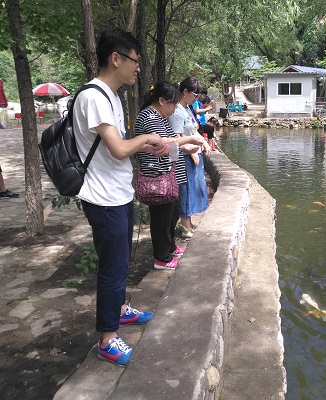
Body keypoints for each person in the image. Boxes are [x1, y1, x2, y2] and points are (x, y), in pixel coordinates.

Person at [73, 27, 168, 367]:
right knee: (112, 268)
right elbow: (117, 150)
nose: (138, 68)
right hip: (102, 198)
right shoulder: (94, 96)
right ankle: (107, 339)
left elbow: (120, 147)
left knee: (122, 260)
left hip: (118, 194)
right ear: (116, 58)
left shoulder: (112, 96)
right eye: (134, 61)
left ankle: (121, 310)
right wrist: (146, 139)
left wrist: (147, 141)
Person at [135, 82, 205, 270]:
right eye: (173, 104)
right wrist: (189, 139)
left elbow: (170, 143)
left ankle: (170, 246)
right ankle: (162, 258)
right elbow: (161, 142)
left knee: (171, 212)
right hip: (156, 176)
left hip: (167, 174)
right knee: (161, 218)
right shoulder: (149, 117)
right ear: (161, 100)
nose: (174, 109)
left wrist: (184, 146)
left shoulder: (159, 116)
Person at [168, 77, 211, 238]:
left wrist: (203, 143)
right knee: (186, 189)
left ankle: (189, 221)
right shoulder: (177, 112)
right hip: (184, 157)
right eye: (195, 94)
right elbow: (175, 137)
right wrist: (191, 151)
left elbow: (193, 130)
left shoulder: (187, 109)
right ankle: (185, 226)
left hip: (194, 153)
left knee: (194, 189)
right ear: (185, 91)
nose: (197, 98)